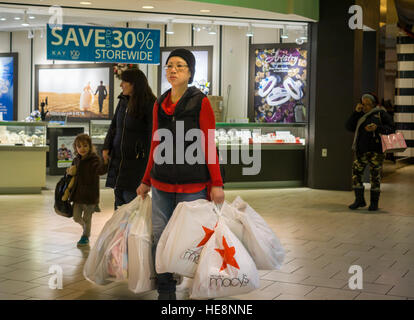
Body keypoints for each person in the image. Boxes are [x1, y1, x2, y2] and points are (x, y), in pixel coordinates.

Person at [136, 48, 225, 300]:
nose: (172, 70)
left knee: (191, 241)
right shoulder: (159, 104)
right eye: (169, 65)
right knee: (160, 238)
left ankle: (200, 284)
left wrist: (216, 183)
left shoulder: (201, 101)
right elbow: (155, 143)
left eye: (180, 66)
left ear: (190, 73)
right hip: (161, 184)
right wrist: (145, 180)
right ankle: (166, 292)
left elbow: (209, 144)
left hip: (193, 184)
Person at [102, 68, 155, 209]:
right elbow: (114, 125)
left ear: (134, 84)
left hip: (137, 163)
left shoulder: (150, 104)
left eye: (124, 82)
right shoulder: (123, 100)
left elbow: (152, 135)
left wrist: (149, 164)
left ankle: (131, 231)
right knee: (118, 197)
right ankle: (119, 231)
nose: (121, 85)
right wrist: (106, 146)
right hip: (118, 160)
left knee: (131, 201)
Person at [346, 93, 395, 211]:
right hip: (361, 151)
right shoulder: (360, 114)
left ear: (373, 104)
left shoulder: (381, 113)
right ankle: (359, 200)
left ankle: (374, 203)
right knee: (356, 174)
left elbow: (392, 128)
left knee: (375, 177)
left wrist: (377, 128)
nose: (365, 106)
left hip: (376, 151)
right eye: (363, 104)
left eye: (367, 104)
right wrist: (356, 113)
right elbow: (349, 127)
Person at [66, 133, 108, 247]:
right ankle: (85, 228)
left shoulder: (93, 159)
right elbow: (72, 174)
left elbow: (100, 170)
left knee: (87, 218)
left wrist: (105, 162)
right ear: (76, 148)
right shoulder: (76, 160)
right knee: (76, 217)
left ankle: (85, 236)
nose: (82, 149)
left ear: (89, 146)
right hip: (77, 195)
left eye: (85, 145)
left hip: (90, 195)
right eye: (79, 146)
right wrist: (69, 171)